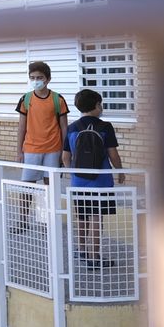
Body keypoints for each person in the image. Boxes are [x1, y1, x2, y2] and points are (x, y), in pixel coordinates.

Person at [62, 88, 122, 269]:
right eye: (100, 104)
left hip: (78, 181)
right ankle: (94, 257)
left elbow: (65, 157)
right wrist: (120, 171)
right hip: (101, 180)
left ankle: (81, 250)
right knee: (96, 217)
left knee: (82, 215)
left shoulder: (72, 128)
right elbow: (113, 155)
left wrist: (74, 173)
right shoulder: (105, 127)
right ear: (97, 105)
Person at [13, 62, 68, 231]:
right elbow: (22, 127)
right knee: (26, 186)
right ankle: (22, 221)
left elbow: (64, 127)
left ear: (48, 79)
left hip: (53, 149)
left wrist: (65, 152)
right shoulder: (26, 99)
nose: (36, 80)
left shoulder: (58, 99)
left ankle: (47, 223)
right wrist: (19, 151)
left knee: (49, 187)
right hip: (31, 149)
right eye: (32, 78)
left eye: (39, 78)